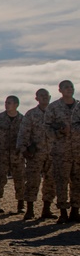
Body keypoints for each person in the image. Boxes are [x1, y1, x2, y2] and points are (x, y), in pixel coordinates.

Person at [44, 80, 80, 224]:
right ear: (60, 90)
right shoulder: (53, 107)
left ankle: (75, 211)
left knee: (78, 182)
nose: (69, 89)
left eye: (71, 87)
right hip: (61, 151)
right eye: (66, 87)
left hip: (78, 151)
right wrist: (59, 132)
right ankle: (63, 212)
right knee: (61, 182)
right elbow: (47, 128)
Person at [16, 88, 55, 220]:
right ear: (36, 98)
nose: (44, 97)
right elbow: (23, 133)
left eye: (46, 95)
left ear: (50, 97)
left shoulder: (55, 113)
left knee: (51, 182)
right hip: (35, 154)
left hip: (53, 153)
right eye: (41, 95)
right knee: (32, 181)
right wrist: (24, 149)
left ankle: (46, 209)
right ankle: (30, 210)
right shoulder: (31, 114)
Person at [0, 96, 24, 214]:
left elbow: (27, 136)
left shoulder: (23, 120)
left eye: (9, 103)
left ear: (16, 105)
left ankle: (21, 204)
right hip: (1, 155)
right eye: (6, 103)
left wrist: (24, 151)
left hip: (17, 155)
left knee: (20, 179)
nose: (6, 105)